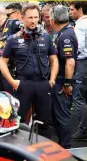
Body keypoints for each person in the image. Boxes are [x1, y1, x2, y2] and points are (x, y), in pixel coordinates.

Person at [0, 4, 59, 138]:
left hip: (43, 84)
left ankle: (44, 153)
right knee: (17, 120)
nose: (33, 21)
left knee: (45, 121)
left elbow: (54, 59)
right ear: (22, 18)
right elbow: (2, 61)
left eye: (36, 17)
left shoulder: (46, 37)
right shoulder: (13, 39)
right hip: (23, 84)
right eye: (30, 17)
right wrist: (12, 81)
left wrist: (52, 79)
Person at [49, 5, 78, 148]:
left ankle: (66, 147)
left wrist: (67, 84)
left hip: (62, 82)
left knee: (62, 116)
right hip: (59, 80)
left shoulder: (66, 35)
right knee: (57, 116)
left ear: (53, 19)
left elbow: (70, 62)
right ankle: (62, 144)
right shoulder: (61, 33)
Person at [0, 6, 22, 94]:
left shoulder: (13, 23)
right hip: (1, 70)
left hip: (11, 70)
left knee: (11, 99)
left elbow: (26, 27)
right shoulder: (0, 29)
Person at [69, 1, 87, 139]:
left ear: (79, 10)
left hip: (82, 62)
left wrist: (71, 60)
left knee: (79, 97)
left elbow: (79, 47)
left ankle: (83, 130)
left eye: (72, 10)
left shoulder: (81, 25)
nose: (70, 12)